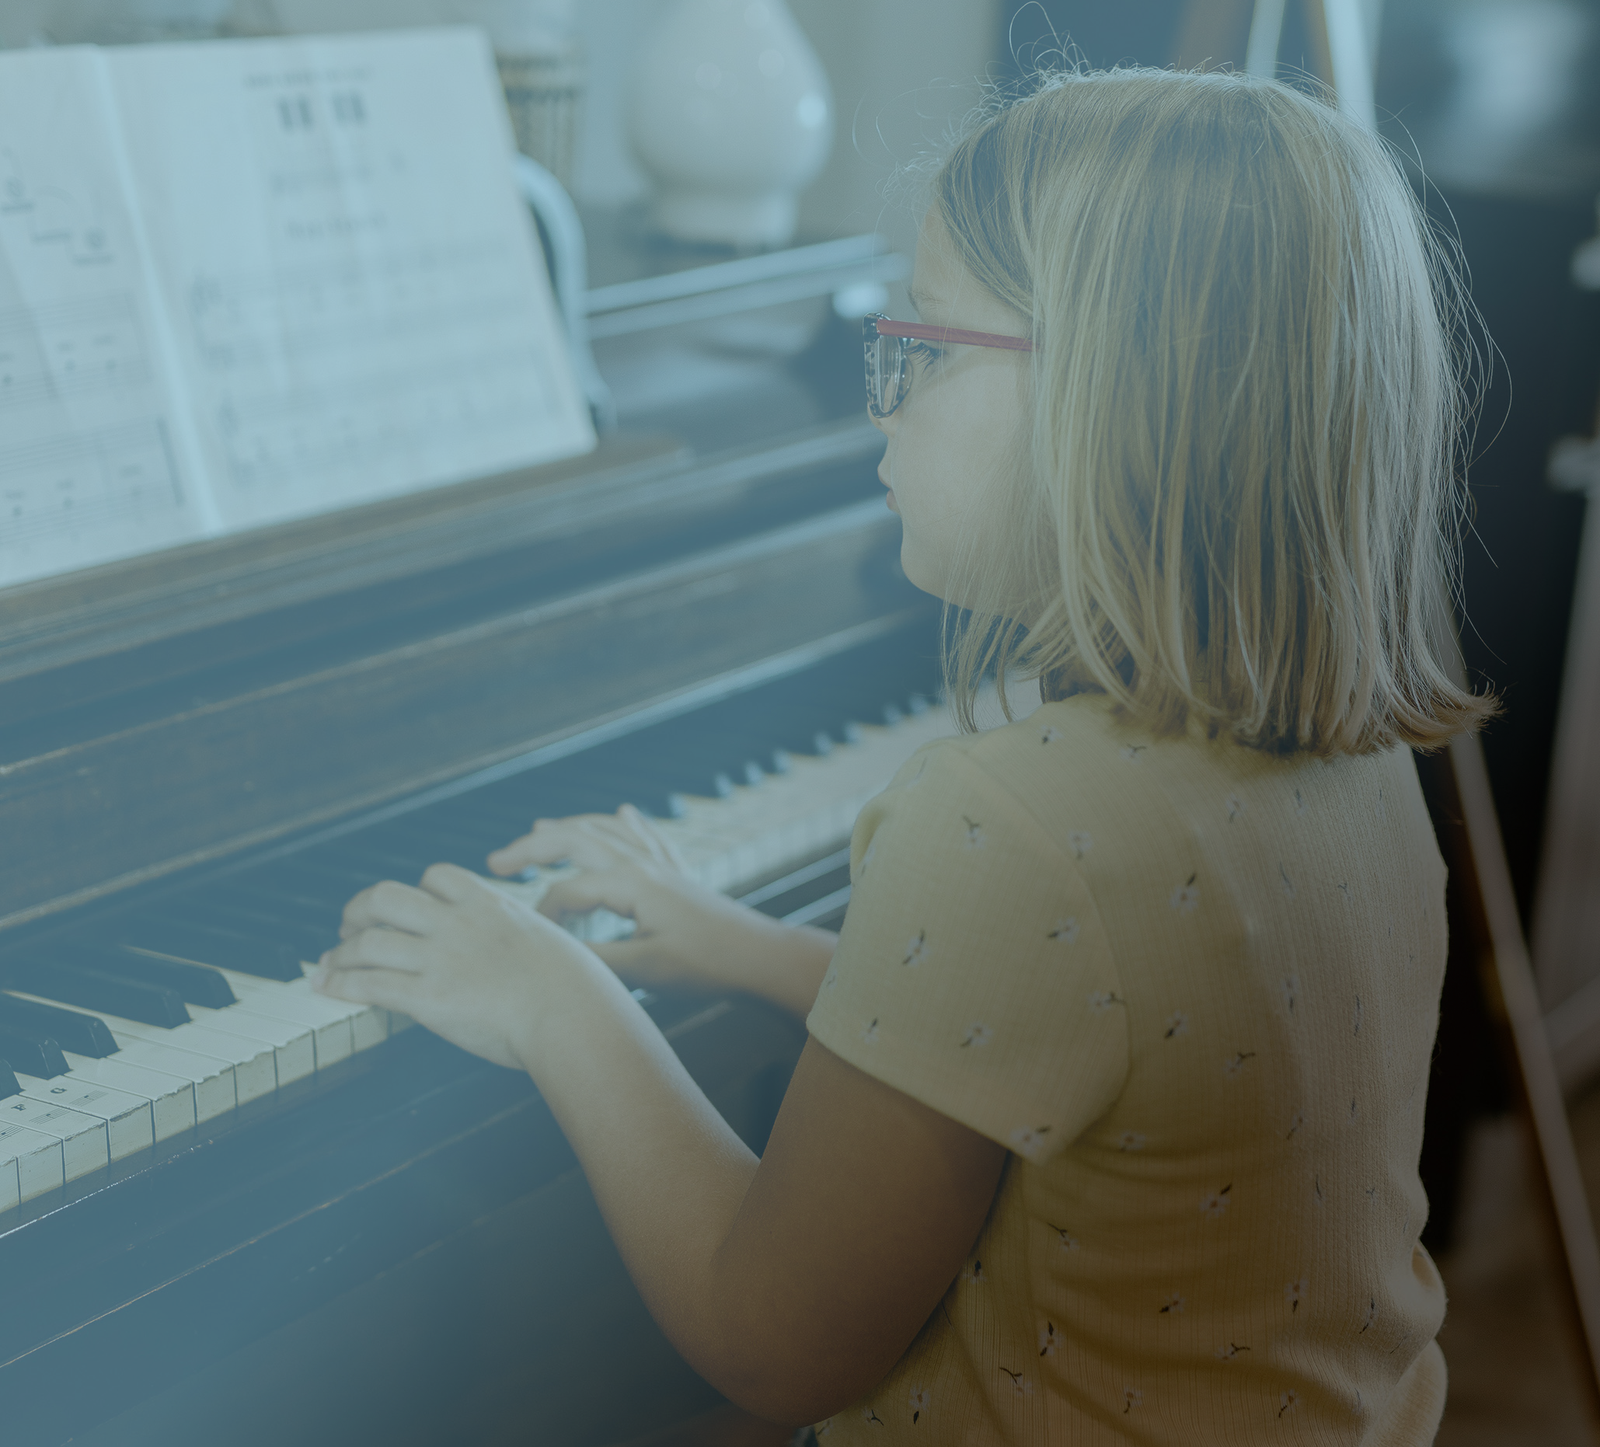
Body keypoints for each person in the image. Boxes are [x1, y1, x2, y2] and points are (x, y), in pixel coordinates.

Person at [314, 65, 1495, 1444]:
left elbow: (768, 1339)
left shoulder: (1011, 823)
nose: (880, 401)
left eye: (923, 345)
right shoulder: (1352, 762)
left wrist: (559, 1001)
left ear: (1108, 393)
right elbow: (1072, 1034)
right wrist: (738, 941)